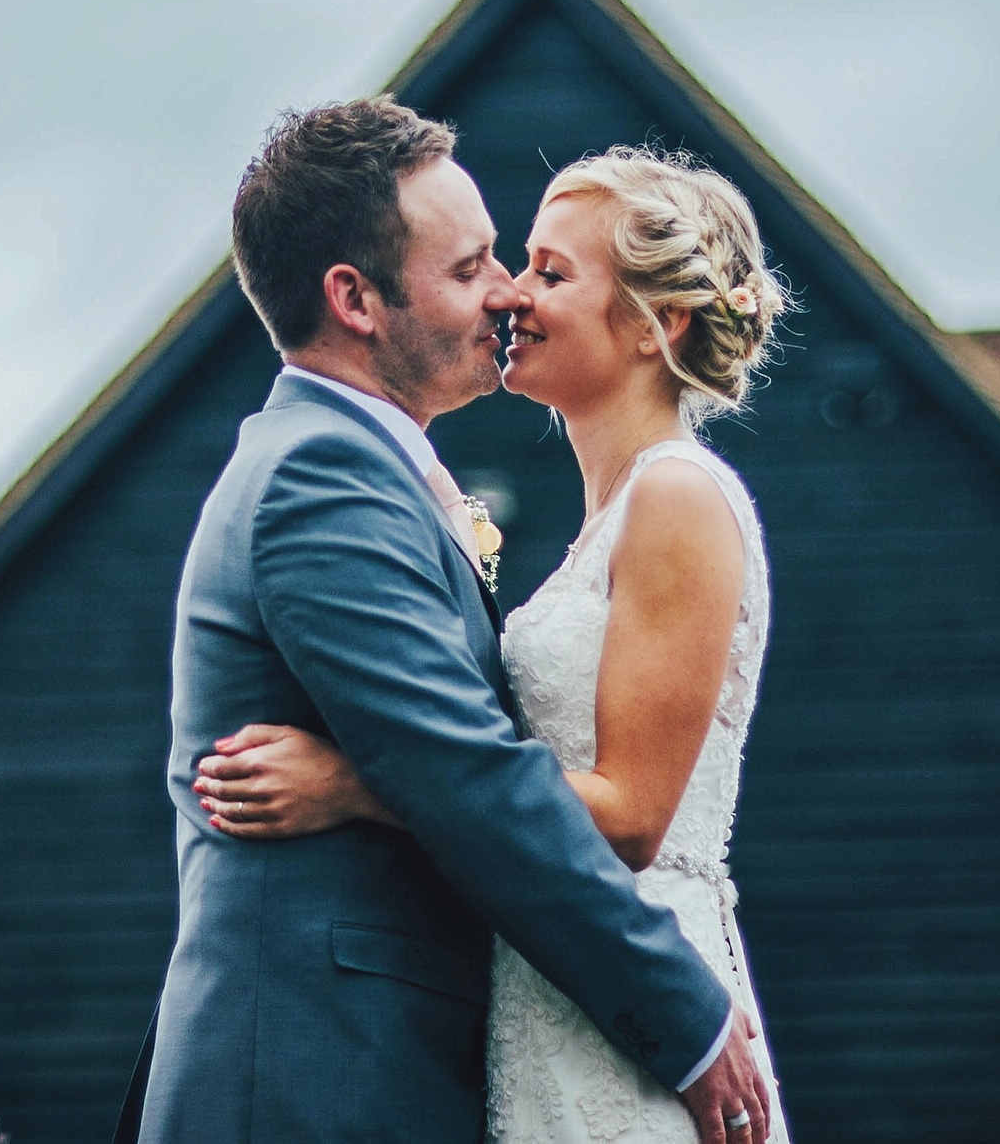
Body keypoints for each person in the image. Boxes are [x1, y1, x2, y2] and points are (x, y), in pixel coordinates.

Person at [119, 99, 775, 1144]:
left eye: (532, 270)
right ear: (356, 299)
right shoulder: (321, 479)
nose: (506, 293)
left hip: (428, 1056)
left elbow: (463, 772)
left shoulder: (380, 474)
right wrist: (689, 1023)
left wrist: (350, 783)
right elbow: (461, 770)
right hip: (317, 1076)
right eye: (472, 267)